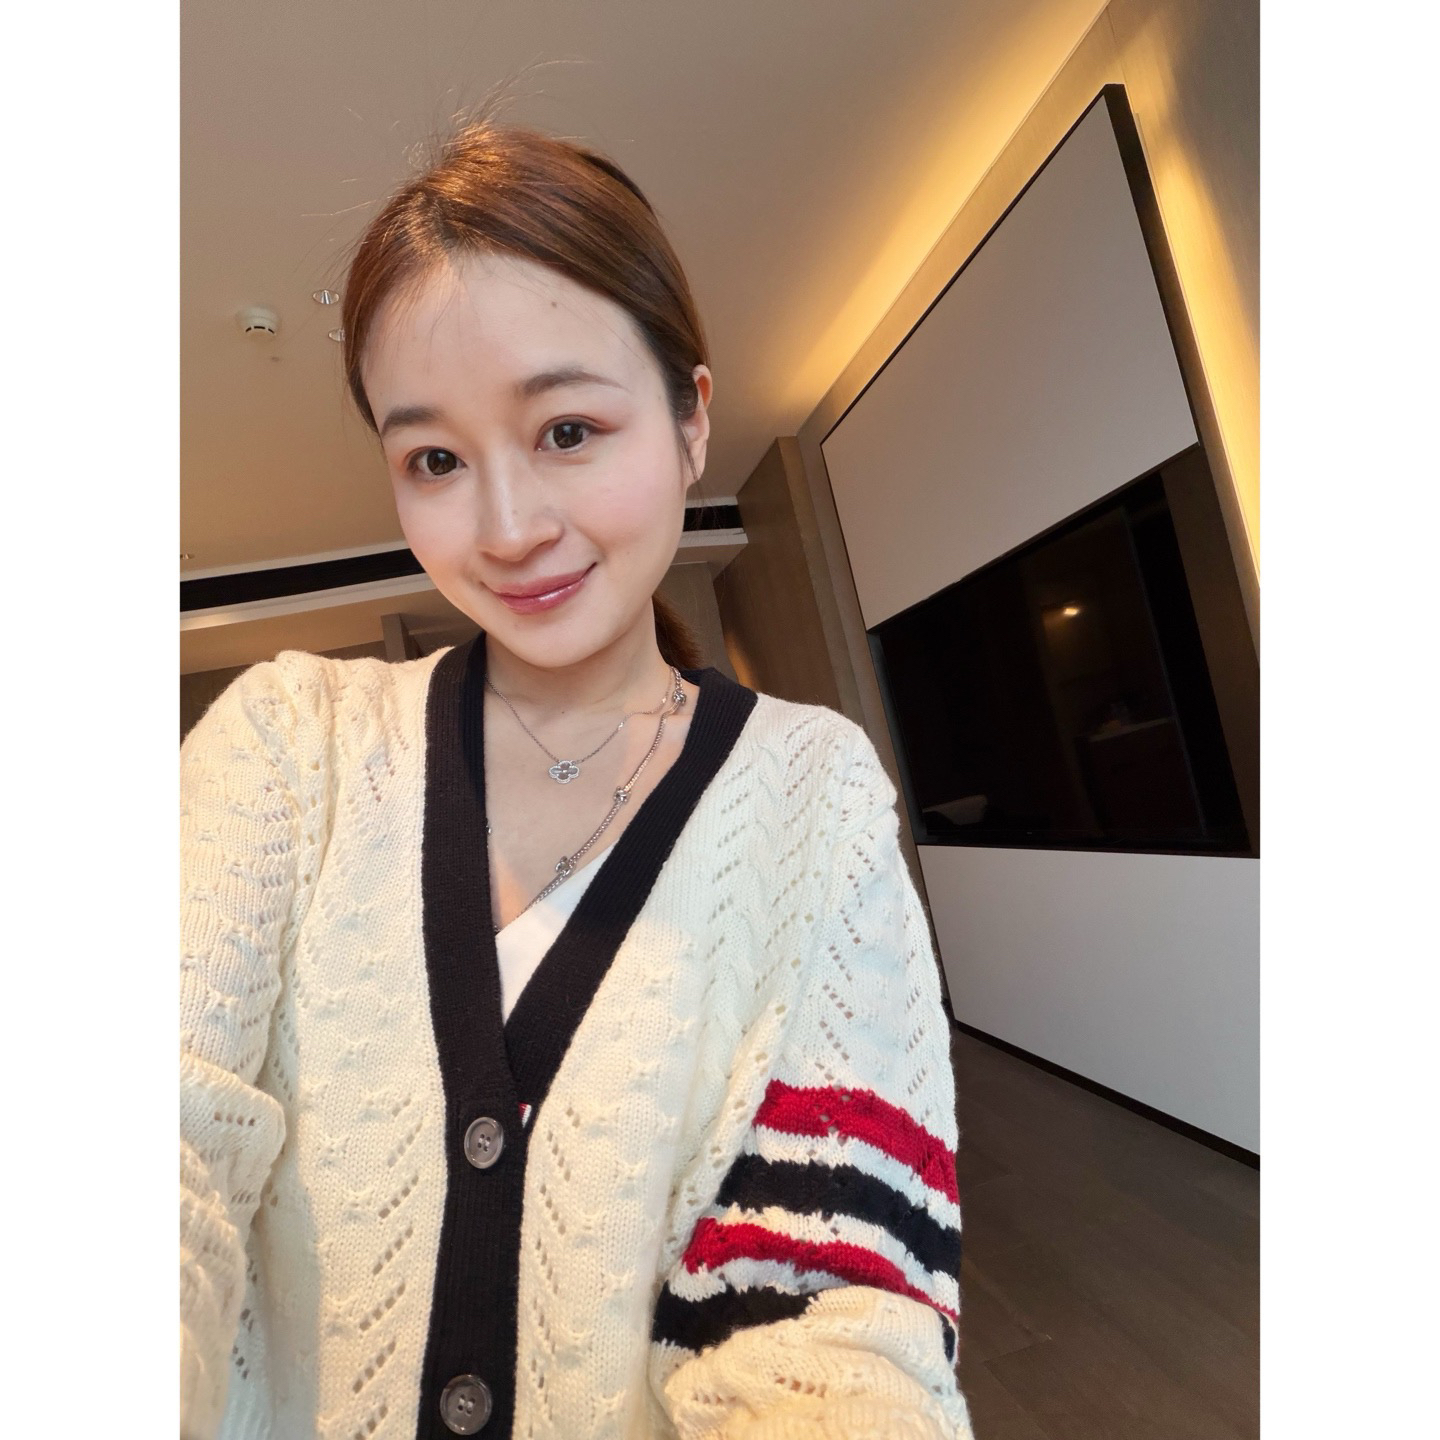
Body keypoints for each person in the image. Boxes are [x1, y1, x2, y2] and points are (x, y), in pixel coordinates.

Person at [179, 114, 973, 1440]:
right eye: (435, 460)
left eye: (567, 429)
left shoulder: (812, 789)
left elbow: (832, 1304)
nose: (506, 529)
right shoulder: (288, 744)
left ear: (691, 419)